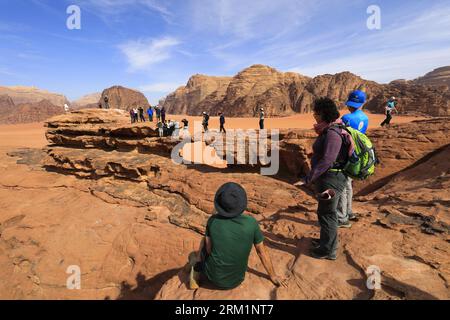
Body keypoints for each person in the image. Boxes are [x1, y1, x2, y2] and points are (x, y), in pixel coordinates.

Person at [187, 183, 287, 290]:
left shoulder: (213, 221)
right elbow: (261, 252)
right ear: (241, 204)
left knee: (202, 243)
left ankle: (196, 271)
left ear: (221, 204)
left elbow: (208, 249)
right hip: (236, 280)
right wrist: (273, 276)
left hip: (213, 278)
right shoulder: (251, 223)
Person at [303, 98, 354, 260]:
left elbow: (328, 159)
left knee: (327, 213)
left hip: (331, 180)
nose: (313, 115)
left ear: (323, 113)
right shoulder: (331, 130)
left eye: (316, 112)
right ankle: (326, 242)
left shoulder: (333, 132)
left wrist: (310, 177)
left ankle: (328, 250)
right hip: (330, 178)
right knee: (325, 212)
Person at [338, 90, 369, 228]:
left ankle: (342, 218)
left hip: (346, 154)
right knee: (349, 184)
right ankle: (349, 211)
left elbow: (341, 137)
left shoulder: (346, 118)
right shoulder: (365, 118)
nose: (351, 106)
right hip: (358, 154)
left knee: (343, 186)